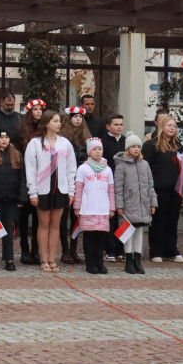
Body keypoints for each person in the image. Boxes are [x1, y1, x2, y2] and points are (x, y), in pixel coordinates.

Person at [24, 110, 77, 273]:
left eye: (59, 121)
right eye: (55, 121)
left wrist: (71, 190)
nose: (59, 124)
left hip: (60, 189)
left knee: (56, 225)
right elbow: (30, 169)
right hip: (42, 189)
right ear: (46, 123)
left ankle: (53, 259)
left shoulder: (65, 143)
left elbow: (71, 168)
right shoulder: (35, 143)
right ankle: (43, 259)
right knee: (44, 224)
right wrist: (32, 192)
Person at [0, 130, 27, 272]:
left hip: (12, 199)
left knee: (9, 229)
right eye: (1, 137)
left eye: (7, 137)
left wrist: (21, 197)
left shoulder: (16, 155)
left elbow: (22, 178)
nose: (4, 140)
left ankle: (9, 258)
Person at [143, 115, 183, 263]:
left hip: (175, 190)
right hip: (158, 189)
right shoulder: (151, 145)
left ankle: (171, 249)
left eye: (174, 125)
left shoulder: (179, 146)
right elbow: (145, 168)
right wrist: (149, 189)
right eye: (169, 125)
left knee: (172, 221)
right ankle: (156, 251)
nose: (172, 128)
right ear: (161, 126)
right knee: (159, 221)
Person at [113, 133, 157, 274]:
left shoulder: (145, 165)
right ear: (128, 149)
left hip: (142, 203)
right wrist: (119, 205)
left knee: (139, 231)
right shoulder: (121, 166)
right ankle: (129, 260)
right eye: (133, 147)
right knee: (128, 232)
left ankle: (137, 259)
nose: (136, 149)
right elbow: (118, 188)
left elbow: (150, 185)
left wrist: (153, 203)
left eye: (138, 146)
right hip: (128, 204)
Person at [73, 138, 115, 274]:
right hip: (88, 208)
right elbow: (78, 189)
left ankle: (100, 262)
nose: (98, 152)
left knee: (100, 238)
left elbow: (111, 190)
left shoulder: (107, 169)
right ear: (89, 152)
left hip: (103, 208)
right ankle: (90, 263)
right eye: (95, 149)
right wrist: (77, 207)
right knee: (89, 238)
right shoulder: (83, 169)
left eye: (100, 149)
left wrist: (112, 207)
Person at [58, 106, 90, 265]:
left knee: (76, 217)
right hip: (66, 182)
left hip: (82, 183)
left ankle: (73, 249)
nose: (78, 119)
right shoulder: (62, 138)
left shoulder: (87, 138)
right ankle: (64, 250)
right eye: (75, 116)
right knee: (63, 218)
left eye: (80, 116)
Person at [16, 98, 46, 265]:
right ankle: (24, 250)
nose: (38, 112)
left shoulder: (44, 131)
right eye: (35, 109)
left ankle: (35, 250)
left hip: (41, 176)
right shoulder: (21, 130)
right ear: (30, 112)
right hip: (24, 175)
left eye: (40, 110)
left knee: (37, 218)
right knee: (23, 217)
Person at [101, 114, 127, 262]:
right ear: (108, 126)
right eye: (116, 124)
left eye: (121, 124)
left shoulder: (126, 141)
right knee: (110, 218)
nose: (119, 127)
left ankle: (121, 249)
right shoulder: (103, 142)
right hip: (108, 184)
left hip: (124, 184)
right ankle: (109, 249)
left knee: (122, 218)